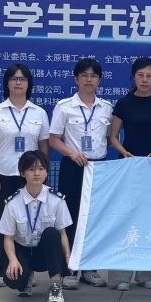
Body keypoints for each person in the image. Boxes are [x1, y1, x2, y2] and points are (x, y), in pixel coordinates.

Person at [106, 56, 151, 291]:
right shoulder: (123, 103)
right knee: (124, 219)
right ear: (133, 77)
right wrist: (123, 152)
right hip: (127, 167)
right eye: (140, 75)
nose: (145, 80)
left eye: (149, 76)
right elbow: (113, 136)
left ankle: (149, 274)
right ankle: (120, 276)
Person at [0, 64, 51, 288]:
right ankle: (1, 270)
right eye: (13, 79)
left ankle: (27, 271)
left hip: (30, 178)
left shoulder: (39, 113)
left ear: (29, 84)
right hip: (3, 176)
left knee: (31, 223)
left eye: (22, 79)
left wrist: (43, 175)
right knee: (2, 224)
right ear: (7, 83)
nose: (18, 82)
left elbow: (43, 146)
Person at [49, 57, 112, 289]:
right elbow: (53, 139)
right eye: (84, 75)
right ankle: (69, 269)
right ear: (76, 79)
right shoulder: (64, 106)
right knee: (70, 216)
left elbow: (109, 139)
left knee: (94, 218)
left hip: (98, 169)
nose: (89, 80)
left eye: (93, 76)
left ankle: (90, 268)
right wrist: (72, 153)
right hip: (73, 167)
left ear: (99, 80)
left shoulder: (106, 107)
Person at [0, 150, 71, 302]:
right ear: (22, 173)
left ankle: (55, 286)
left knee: (52, 233)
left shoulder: (57, 200)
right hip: (23, 251)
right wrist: (13, 260)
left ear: (46, 172)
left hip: (45, 253)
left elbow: (63, 233)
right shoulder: (13, 202)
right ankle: (26, 278)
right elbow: (8, 238)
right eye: (31, 169)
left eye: (41, 169)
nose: (37, 173)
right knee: (14, 281)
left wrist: (68, 258)